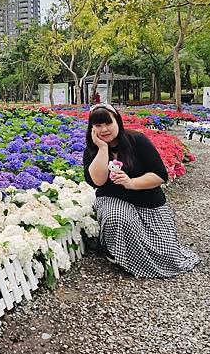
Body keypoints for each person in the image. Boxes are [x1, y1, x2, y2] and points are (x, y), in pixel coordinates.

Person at [82, 103, 200, 278]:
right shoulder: (93, 149)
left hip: (148, 203)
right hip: (114, 200)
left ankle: (132, 253)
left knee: (167, 255)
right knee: (117, 217)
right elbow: (97, 181)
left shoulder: (137, 140)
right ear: (92, 128)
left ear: (118, 122)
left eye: (108, 123)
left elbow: (160, 175)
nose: (104, 129)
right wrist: (102, 148)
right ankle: (115, 251)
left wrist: (131, 183)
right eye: (98, 125)